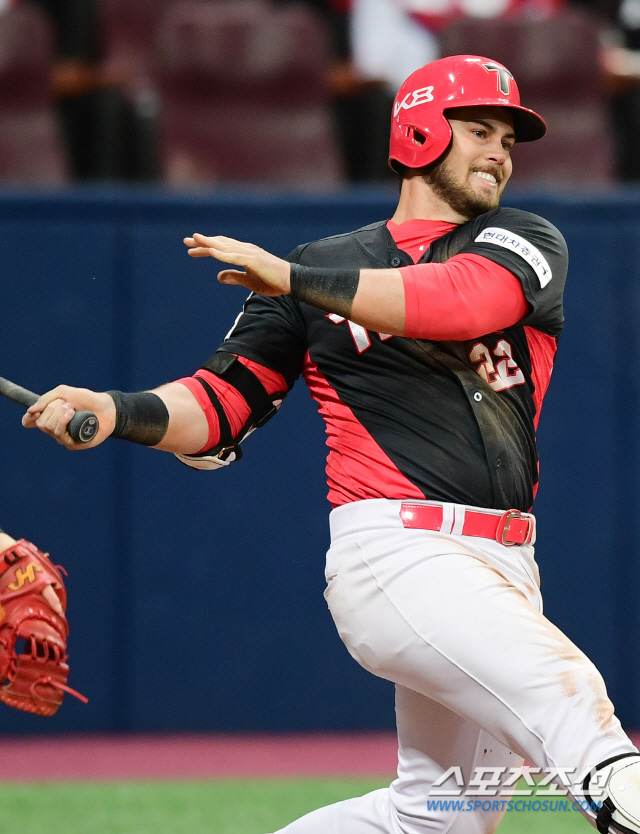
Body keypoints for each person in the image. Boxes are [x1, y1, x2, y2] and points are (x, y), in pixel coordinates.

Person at [21, 55, 640, 834]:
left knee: (441, 819)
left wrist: (292, 278)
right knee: (577, 716)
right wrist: (114, 410)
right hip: (401, 556)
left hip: (506, 561)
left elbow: (456, 300)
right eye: (479, 130)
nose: (499, 152)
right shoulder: (316, 268)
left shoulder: (521, 239)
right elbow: (220, 404)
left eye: (509, 140)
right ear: (419, 132)